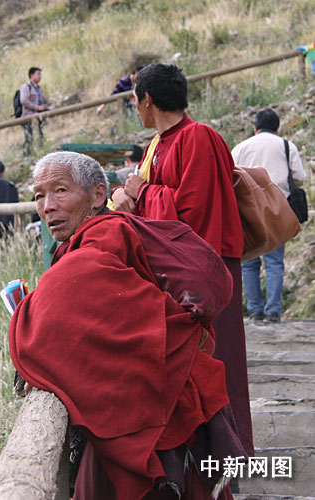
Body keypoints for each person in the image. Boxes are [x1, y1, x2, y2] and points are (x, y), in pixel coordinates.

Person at [9, 151, 247, 500]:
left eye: (60, 190)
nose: (47, 206)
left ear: (97, 195)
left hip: (156, 409)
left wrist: (24, 318)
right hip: (167, 395)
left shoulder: (104, 237)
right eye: (39, 195)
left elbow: (52, 316)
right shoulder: (98, 238)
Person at [111, 63, 254, 469]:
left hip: (206, 270)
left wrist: (142, 192)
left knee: (216, 360)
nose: (135, 109)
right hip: (172, 274)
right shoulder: (159, 143)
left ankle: (228, 461)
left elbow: (192, 214)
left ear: (148, 100)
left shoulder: (198, 138)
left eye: (135, 101)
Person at [231, 108, 307, 323]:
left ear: (254, 128)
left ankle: (255, 310)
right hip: (277, 209)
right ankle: (273, 310)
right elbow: (299, 177)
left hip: (246, 210)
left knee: (249, 262)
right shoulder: (286, 145)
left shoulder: (241, 147)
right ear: (277, 127)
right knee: (274, 262)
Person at [20, 67, 47, 156]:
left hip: (39, 116)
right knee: (29, 137)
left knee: (40, 135)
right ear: (32, 75)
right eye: (38, 74)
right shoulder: (26, 87)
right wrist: (37, 107)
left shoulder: (38, 88)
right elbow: (24, 100)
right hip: (29, 116)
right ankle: (27, 156)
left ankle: (40, 152)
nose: (40, 76)